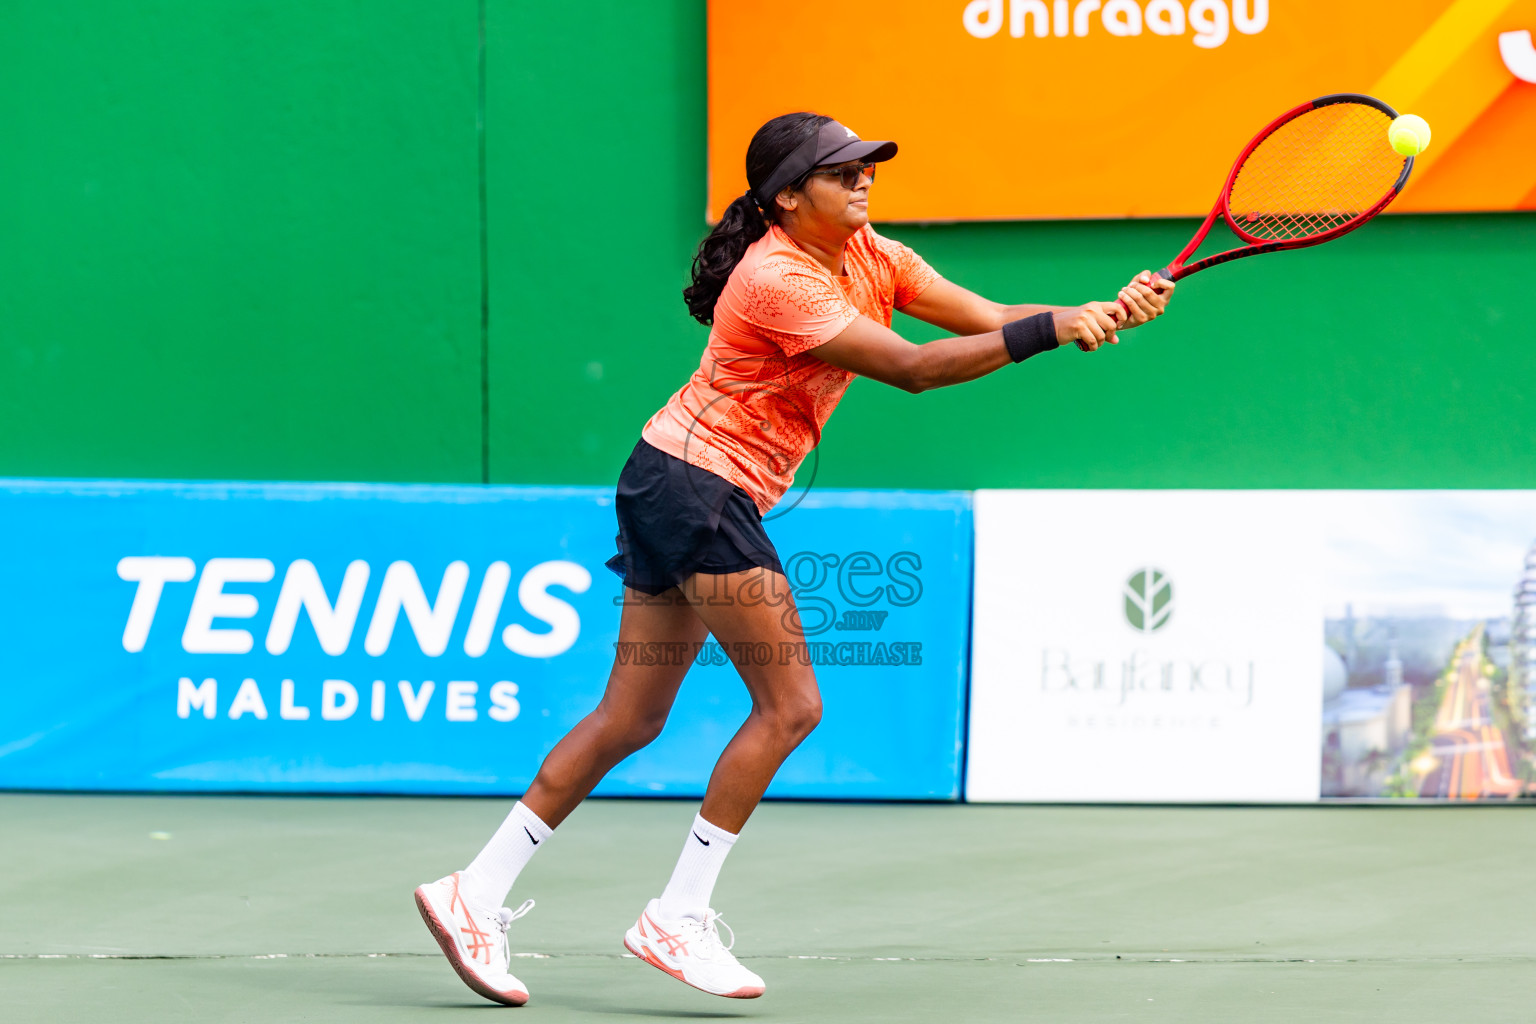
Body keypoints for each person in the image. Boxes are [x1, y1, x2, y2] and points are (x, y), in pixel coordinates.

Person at [414, 111, 1173, 1006]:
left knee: (630, 717)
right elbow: (915, 368)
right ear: (786, 198)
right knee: (791, 704)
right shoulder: (775, 277)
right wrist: (1051, 332)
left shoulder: (873, 254)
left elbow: (989, 318)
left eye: (866, 168)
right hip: (699, 488)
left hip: (667, 478)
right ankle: (676, 917)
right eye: (841, 171)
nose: (862, 181)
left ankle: (475, 889)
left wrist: (1090, 312)